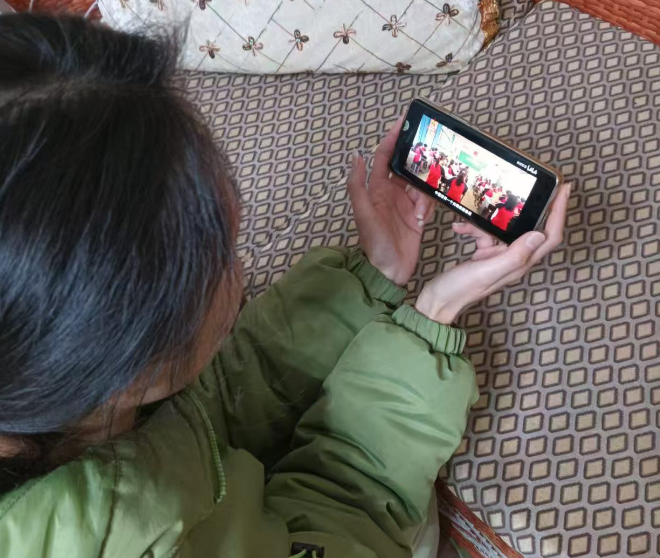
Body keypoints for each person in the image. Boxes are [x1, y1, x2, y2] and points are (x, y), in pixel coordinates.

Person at [0, 14, 570, 558]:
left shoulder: (61, 402)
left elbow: (202, 407)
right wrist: (428, 322)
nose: (242, 268)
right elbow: (356, 508)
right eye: (224, 254)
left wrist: (373, 276)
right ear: (123, 361)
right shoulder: (136, 528)